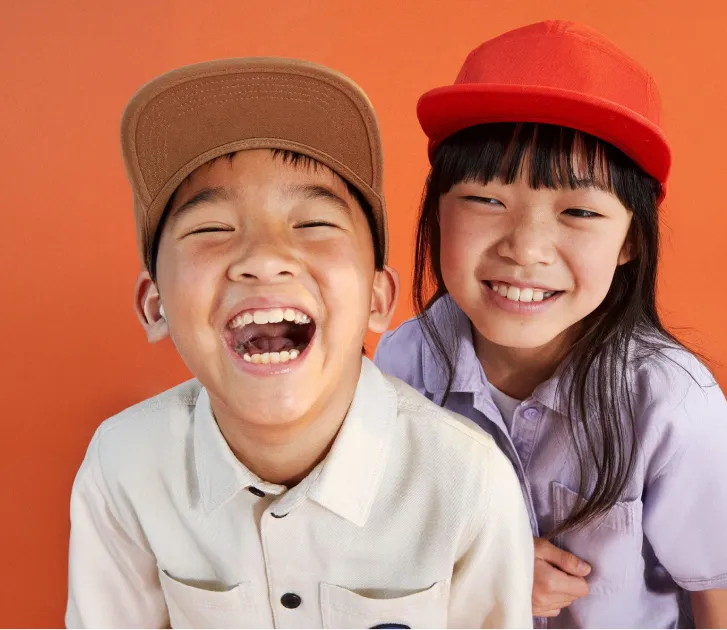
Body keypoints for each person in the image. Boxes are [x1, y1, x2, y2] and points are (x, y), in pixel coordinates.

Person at [66, 58, 533, 628]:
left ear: (378, 299)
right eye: (211, 228)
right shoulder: (124, 465)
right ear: (154, 303)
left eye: (314, 223)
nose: (264, 258)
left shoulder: (468, 483)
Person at [376, 21, 727, 628]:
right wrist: (487, 564)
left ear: (630, 242)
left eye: (580, 212)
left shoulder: (670, 401)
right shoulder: (401, 363)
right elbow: (383, 535)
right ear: (436, 213)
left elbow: (717, 596)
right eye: (486, 199)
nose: (526, 248)